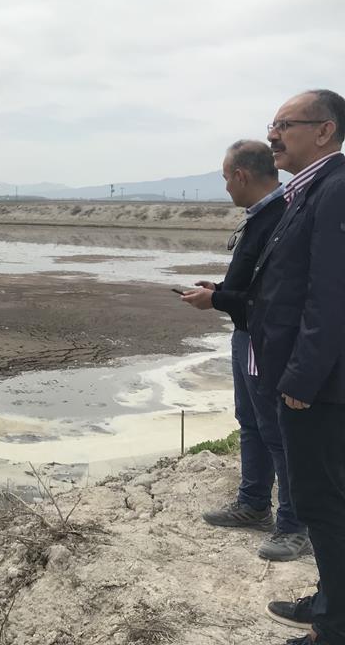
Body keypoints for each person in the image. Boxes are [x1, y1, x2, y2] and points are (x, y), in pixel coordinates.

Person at [247, 89, 345, 645]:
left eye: (284, 124)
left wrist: (303, 380)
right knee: (322, 498)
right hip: (309, 380)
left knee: (323, 503)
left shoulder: (334, 190)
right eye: (272, 123)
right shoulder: (309, 192)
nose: (272, 135)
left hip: (320, 387)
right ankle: (332, 601)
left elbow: (329, 296)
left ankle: (334, 627)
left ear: (324, 131)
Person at [180, 141, 307, 561]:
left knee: (275, 431)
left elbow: (272, 296)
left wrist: (216, 300)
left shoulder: (284, 214)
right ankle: (253, 505)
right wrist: (219, 291)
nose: (224, 187)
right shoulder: (266, 214)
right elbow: (256, 283)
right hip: (247, 334)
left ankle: (293, 525)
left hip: (263, 339)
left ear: (241, 176)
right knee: (250, 422)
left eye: (224, 177)